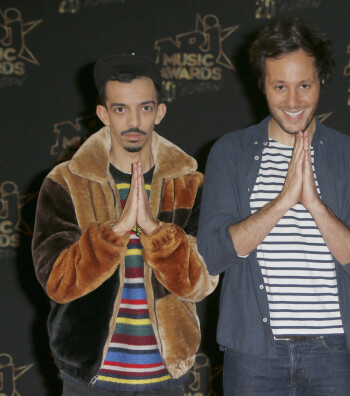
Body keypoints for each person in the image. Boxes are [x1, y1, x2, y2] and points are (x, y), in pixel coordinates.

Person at [198, 17, 350, 395]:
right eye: (280, 86)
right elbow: (211, 256)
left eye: (304, 86)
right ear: (262, 85)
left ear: (321, 82)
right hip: (253, 353)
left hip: (333, 350)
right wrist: (281, 203)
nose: (293, 102)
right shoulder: (231, 153)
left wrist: (313, 204)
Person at [31, 53, 218, 395]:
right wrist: (115, 233)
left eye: (145, 108)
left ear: (159, 112)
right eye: (120, 109)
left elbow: (201, 282)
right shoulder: (66, 183)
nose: (134, 121)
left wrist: (154, 231)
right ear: (102, 114)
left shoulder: (189, 183)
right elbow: (57, 282)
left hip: (165, 375)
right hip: (90, 378)